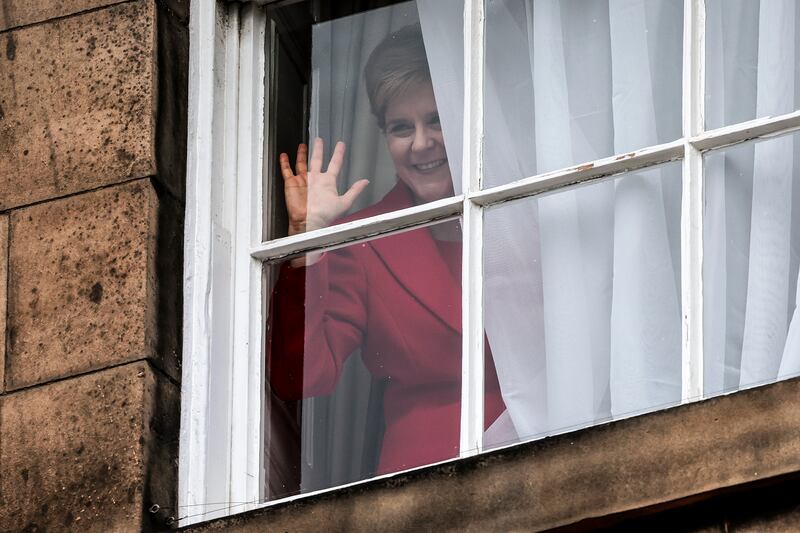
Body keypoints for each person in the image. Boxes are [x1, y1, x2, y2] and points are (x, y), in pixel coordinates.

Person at [267, 24, 508, 476]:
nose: (421, 143)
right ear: (384, 137)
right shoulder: (363, 242)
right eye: (402, 127)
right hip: (428, 477)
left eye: (436, 119)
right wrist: (310, 241)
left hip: (556, 445)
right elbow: (301, 375)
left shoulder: (529, 206)